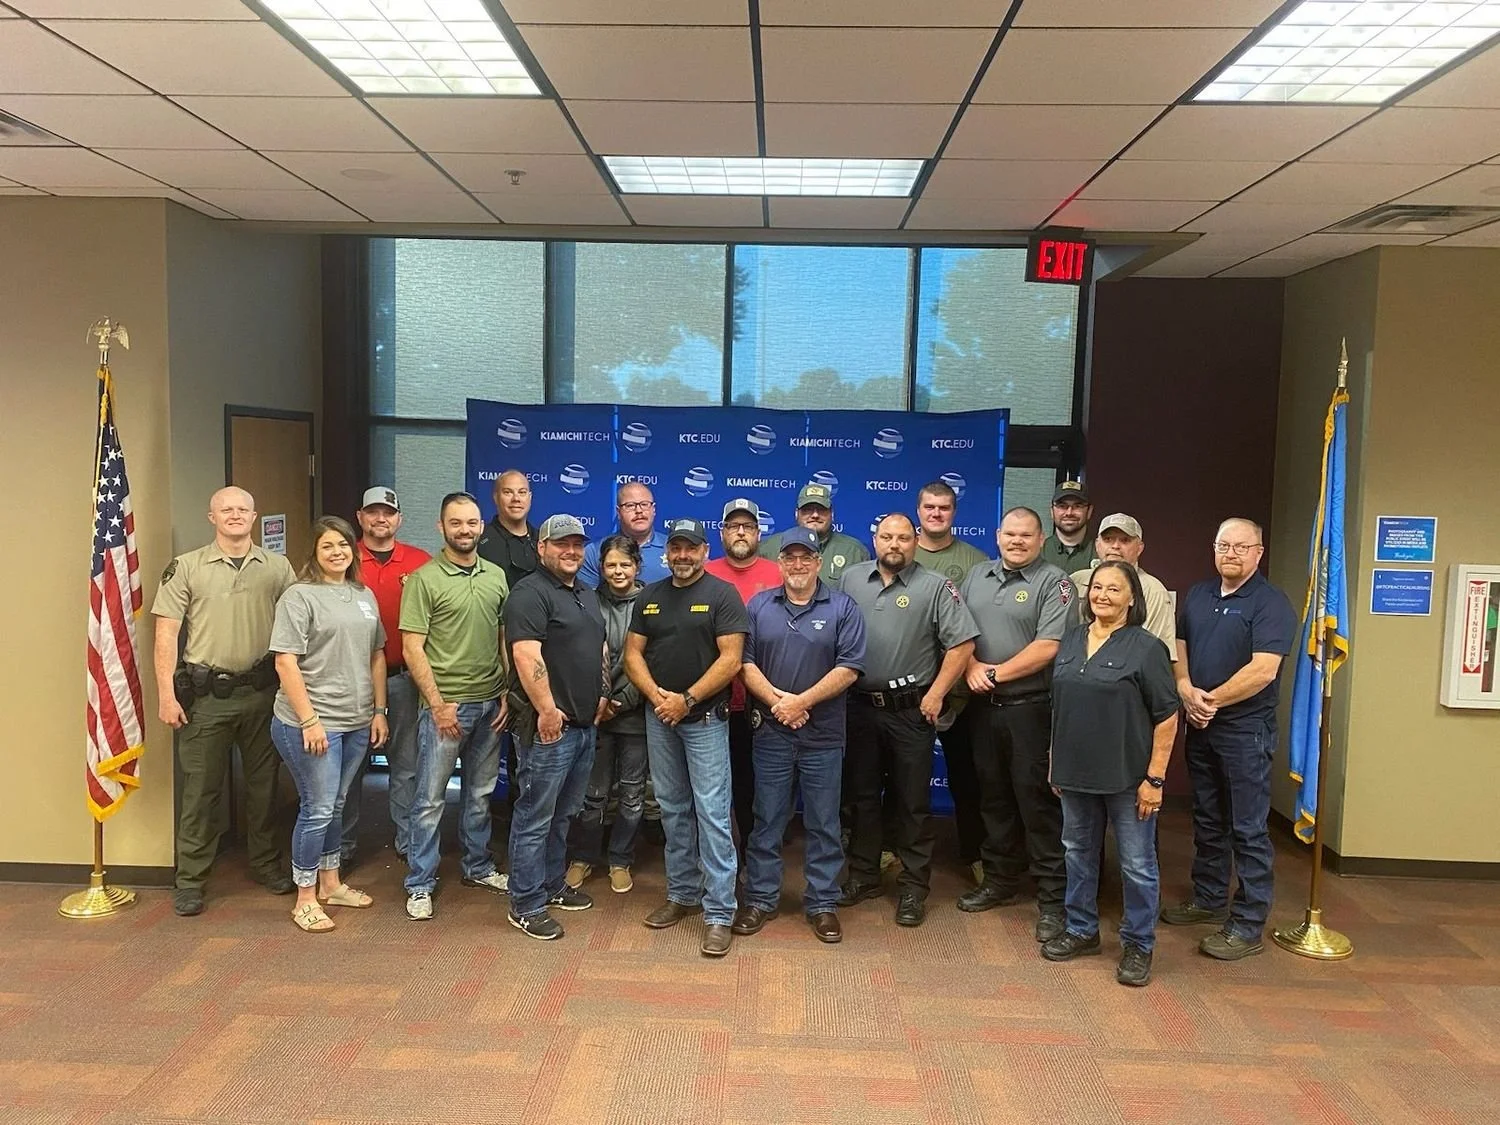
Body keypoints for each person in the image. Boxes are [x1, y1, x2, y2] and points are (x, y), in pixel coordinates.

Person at [151, 486, 296, 917]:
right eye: (225, 509)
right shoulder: (187, 568)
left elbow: (296, 625)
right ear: (211, 517)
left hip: (262, 695)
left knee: (264, 788)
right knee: (200, 791)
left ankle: (266, 865)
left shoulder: (277, 567)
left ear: (255, 517)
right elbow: (165, 635)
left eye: (242, 510)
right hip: (205, 700)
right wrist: (164, 694)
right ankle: (191, 880)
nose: (235, 515)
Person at [1163, 518, 1296, 961]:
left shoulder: (1270, 603)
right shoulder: (1199, 595)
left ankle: (1248, 923)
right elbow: (1178, 645)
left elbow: (1264, 670)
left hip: (1245, 732)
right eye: (1224, 545)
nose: (1232, 553)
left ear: (1259, 552)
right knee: (1208, 819)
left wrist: (1210, 700)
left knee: (1248, 829)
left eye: (1242, 546)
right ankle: (1208, 898)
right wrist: (1185, 688)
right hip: (1202, 727)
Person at [1043, 561, 1179, 986]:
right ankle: (1082, 930)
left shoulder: (1146, 648)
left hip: (1128, 779)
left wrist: (1154, 779)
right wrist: (1054, 761)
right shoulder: (1070, 640)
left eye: (1113, 589)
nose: (1102, 595)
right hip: (1075, 773)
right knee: (1078, 855)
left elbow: (1168, 716)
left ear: (1131, 598)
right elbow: (1059, 706)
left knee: (1137, 865)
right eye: (1097, 587)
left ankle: (1138, 945)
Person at [838, 514, 978, 927]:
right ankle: (863, 875)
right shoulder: (849, 580)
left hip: (910, 712)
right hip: (859, 708)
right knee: (861, 800)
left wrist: (936, 694)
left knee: (913, 804)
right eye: (886, 537)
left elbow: (963, 644)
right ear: (874, 539)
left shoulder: (935, 586)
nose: (894, 544)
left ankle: (914, 887)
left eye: (902, 537)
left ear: (914, 541)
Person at [624, 518, 749, 957]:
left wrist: (687, 699)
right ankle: (682, 894)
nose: (682, 555)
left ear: (702, 550)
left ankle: (719, 912)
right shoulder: (651, 596)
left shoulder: (722, 595)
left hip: (705, 720)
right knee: (674, 808)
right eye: (675, 547)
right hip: (661, 718)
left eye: (690, 548)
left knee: (712, 813)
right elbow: (632, 653)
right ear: (667, 552)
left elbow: (732, 659)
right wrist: (658, 696)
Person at [735, 528, 866, 944]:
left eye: (805, 557)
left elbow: (849, 668)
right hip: (772, 732)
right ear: (780, 563)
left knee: (824, 822)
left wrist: (801, 702)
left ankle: (823, 903)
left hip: (824, 736)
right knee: (767, 819)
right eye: (790, 557)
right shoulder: (759, 606)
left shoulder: (844, 607)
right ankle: (760, 898)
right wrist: (780, 703)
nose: (797, 564)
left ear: (818, 563)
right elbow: (744, 662)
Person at [268, 516, 389, 933]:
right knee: (318, 807)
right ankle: (304, 896)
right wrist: (309, 720)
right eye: (328, 546)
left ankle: (331, 883)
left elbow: (376, 655)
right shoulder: (299, 597)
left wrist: (379, 710)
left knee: (336, 805)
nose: (337, 552)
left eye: (343, 545)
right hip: (311, 723)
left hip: (357, 720)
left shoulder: (362, 594)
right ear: (314, 553)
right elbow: (285, 660)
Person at [958, 507, 1072, 942]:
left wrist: (990, 674)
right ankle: (1001, 881)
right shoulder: (977, 577)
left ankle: (1052, 899)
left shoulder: (1054, 582)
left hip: (1031, 708)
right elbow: (957, 632)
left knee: (1037, 803)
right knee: (993, 797)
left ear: (1041, 539)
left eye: (1026, 535)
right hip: (983, 710)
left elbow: (1049, 646)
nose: (1017, 541)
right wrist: (969, 665)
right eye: (1010, 534)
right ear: (997, 536)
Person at [399, 492, 511, 921]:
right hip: (446, 706)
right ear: (440, 527)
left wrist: (504, 691)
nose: (465, 530)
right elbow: (412, 647)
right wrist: (437, 703)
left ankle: (478, 867)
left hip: (490, 703)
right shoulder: (424, 579)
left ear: (482, 526)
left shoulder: (496, 576)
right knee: (429, 799)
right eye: (456, 523)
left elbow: (502, 638)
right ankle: (420, 883)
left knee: (480, 794)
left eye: (472, 522)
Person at [503, 515, 607, 941]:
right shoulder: (529, 593)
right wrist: (546, 709)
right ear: (541, 548)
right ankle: (525, 903)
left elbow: (597, 645)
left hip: (584, 725)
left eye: (577, 544)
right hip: (550, 728)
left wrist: (601, 691)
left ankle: (551, 884)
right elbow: (526, 656)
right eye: (561, 543)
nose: (571, 550)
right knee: (534, 816)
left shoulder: (584, 591)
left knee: (563, 814)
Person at [345, 487, 430, 869]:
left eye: (388, 513)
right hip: (349, 682)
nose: (381, 519)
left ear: (399, 519)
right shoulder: (342, 559)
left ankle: (409, 841)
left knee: (407, 766)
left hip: (405, 679)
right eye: (373, 512)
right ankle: (341, 846)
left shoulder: (420, 562)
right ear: (360, 518)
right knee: (349, 769)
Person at [913, 480, 989, 885]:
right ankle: (893, 850)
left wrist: (963, 672)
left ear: (954, 513)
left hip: (959, 693)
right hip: (909, 692)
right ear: (919, 511)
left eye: (944, 507)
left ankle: (975, 854)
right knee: (900, 782)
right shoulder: (902, 554)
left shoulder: (975, 562)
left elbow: (975, 627)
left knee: (968, 777)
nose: (936, 514)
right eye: (929, 507)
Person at [565, 535, 648, 894]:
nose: (618, 571)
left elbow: (652, 659)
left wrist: (623, 701)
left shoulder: (651, 603)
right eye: (611, 564)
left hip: (635, 713)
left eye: (625, 564)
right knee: (593, 794)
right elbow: (580, 656)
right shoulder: (587, 601)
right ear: (601, 567)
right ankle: (583, 858)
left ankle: (620, 859)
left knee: (631, 794)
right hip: (594, 715)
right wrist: (600, 700)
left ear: (637, 567)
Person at [703, 498, 782, 858]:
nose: (740, 532)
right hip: (716, 699)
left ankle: (754, 854)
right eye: (733, 525)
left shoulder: (778, 573)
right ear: (722, 533)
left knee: (757, 785)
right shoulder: (704, 572)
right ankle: (718, 858)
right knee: (715, 786)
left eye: (747, 526)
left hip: (766, 700)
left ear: (758, 533)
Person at [1068, 514, 1176, 654]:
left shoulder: (1154, 590)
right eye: (1108, 539)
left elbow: (1157, 652)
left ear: (1140, 547)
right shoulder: (1076, 580)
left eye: (1125, 540)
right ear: (1097, 544)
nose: (1115, 546)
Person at [759, 481, 870, 584]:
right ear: (796, 513)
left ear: (832, 514)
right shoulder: (769, 549)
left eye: (821, 509)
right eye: (808, 510)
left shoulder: (855, 552)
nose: (815, 515)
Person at [580, 481, 670, 588]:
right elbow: (587, 599)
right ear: (618, 512)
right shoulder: (594, 551)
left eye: (644, 504)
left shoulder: (672, 548)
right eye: (630, 505)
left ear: (653, 509)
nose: (639, 511)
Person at [477, 469, 539, 588]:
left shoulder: (543, 541)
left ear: (530, 497)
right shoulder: (480, 540)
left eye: (522, 492)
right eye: (508, 492)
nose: (516, 498)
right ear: (496, 497)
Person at [1041, 480, 1094, 574]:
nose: (1069, 513)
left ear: (1089, 511)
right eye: (1062, 506)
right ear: (1052, 511)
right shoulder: (1038, 552)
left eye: (1077, 506)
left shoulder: (1101, 552)